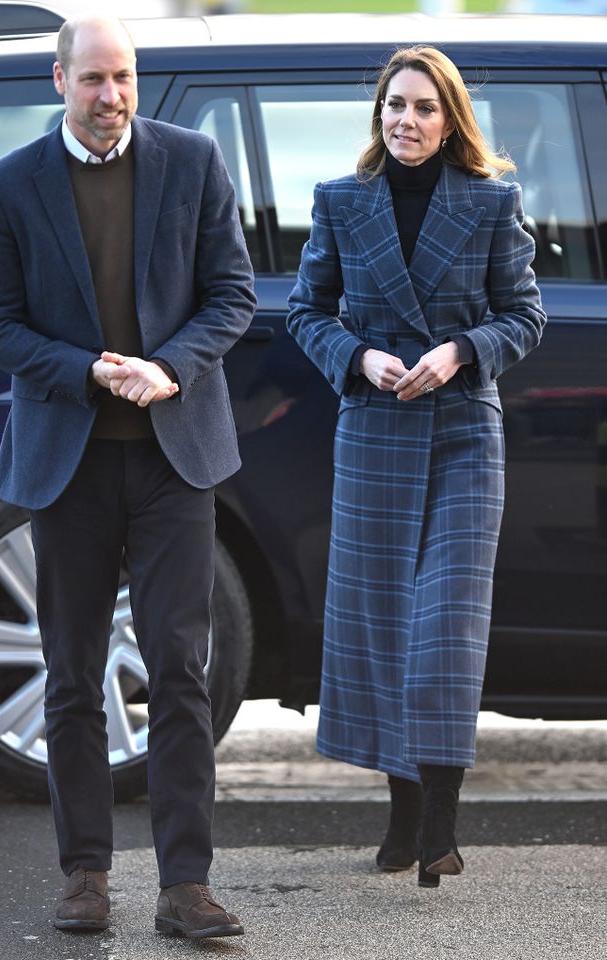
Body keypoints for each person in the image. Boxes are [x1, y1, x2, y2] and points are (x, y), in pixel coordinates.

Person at [0, 14, 255, 937]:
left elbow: (232, 293)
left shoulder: (193, 161)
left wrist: (168, 366)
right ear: (59, 82)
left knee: (178, 667)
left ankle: (184, 885)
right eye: (92, 80)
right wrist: (86, 367)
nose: (111, 96)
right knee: (72, 674)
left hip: (175, 457)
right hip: (71, 460)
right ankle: (85, 874)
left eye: (123, 78)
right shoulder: (7, 185)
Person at [287, 46, 546, 888]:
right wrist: (358, 358)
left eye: (424, 108)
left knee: (445, 631)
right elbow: (304, 312)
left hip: (463, 432)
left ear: (450, 118)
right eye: (395, 105)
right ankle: (402, 818)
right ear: (379, 114)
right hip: (372, 430)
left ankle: (440, 824)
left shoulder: (490, 201)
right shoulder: (339, 201)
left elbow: (524, 315)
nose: (406, 120)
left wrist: (462, 351)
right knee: (384, 631)